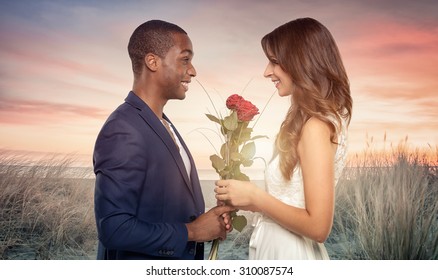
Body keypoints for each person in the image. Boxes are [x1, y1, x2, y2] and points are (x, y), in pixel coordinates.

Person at [93, 20, 233, 260]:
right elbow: (114, 228)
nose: (193, 70)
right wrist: (193, 231)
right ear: (152, 62)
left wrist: (205, 223)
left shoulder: (162, 122)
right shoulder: (123, 129)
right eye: (185, 59)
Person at [215, 17, 353, 259]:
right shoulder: (306, 121)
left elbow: (319, 227)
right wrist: (243, 200)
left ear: (301, 62)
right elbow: (289, 201)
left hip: (291, 254)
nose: (267, 71)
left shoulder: (316, 127)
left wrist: (256, 197)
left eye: (275, 62)